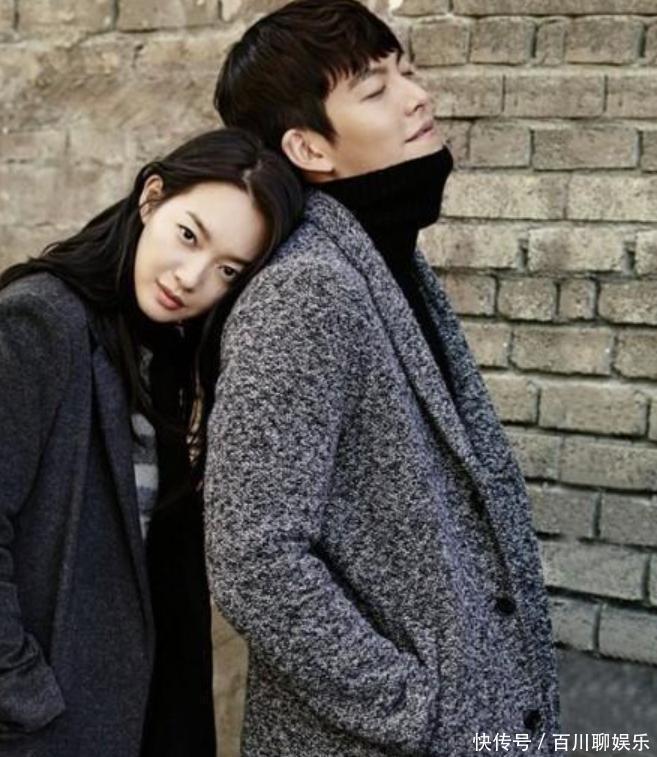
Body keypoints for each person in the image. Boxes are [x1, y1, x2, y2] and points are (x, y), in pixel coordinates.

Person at [203, 1, 561, 756]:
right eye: (374, 89)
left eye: (407, 72)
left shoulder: (386, 262)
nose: (417, 97)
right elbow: (253, 559)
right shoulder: (307, 291)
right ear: (308, 147)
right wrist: (418, 710)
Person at [0, 128, 303, 757]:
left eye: (227, 270)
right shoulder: (39, 322)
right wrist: (23, 698)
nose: (191, 278)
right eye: (189, 235)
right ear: (152, 198)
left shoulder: (165, 358)